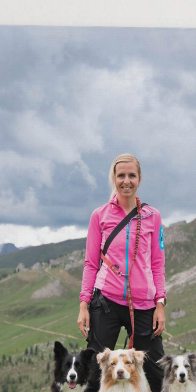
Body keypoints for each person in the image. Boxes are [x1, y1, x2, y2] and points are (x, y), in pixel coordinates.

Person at [79, 154, 169, 367]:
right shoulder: (99, 215)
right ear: (113, 178)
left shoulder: (153, 216)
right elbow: (91, 263)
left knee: (155, 371)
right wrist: (84, 305)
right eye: (121, 175)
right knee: (95, 370)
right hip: (106, 301)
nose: (126, 181)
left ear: (139, 179)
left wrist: (160, 303)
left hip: (144, 304)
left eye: (131, 175)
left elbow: (157, 264)